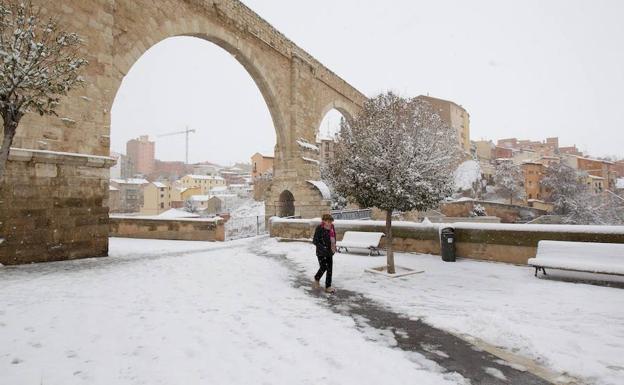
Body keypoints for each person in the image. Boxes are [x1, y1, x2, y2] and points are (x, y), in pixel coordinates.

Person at [312, 214, 337, 293]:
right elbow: (315, 241)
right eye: (327, 221)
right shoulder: (320, 228)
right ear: (323, 221)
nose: (329, 223)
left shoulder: (332, 228)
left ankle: (328, 286)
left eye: (330, 221)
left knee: (329, 269)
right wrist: (323, 247)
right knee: (323, 267)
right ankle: (317, 278)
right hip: (321, 252)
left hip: (329, 252)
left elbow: (333, 238)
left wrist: (334, 246)